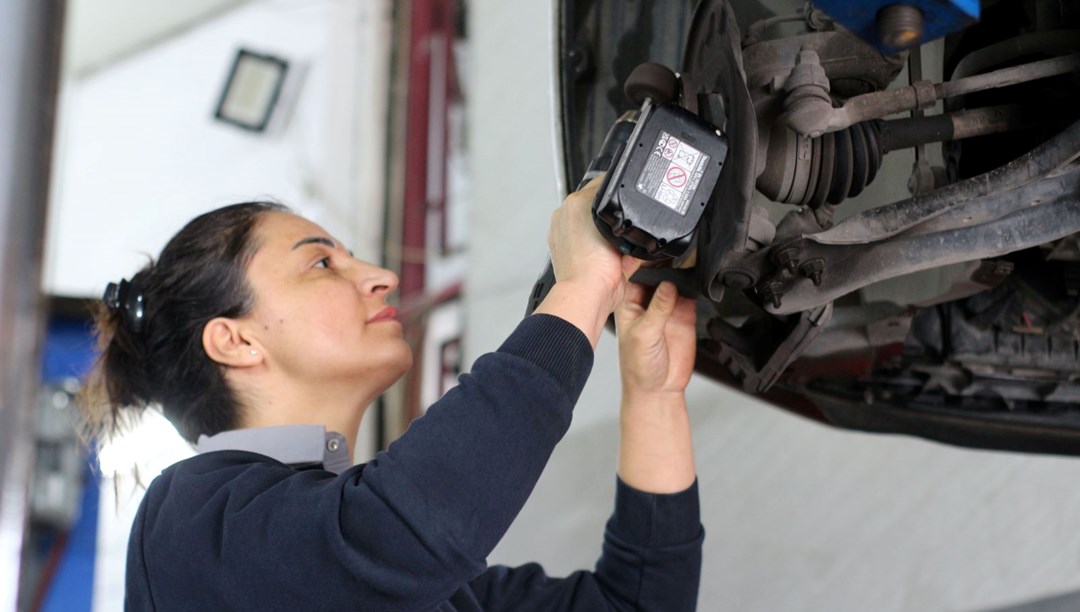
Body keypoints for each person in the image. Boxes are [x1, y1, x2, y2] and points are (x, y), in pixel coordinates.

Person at [81, 177, 703, 611]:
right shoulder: (185, 524)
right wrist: (582, 289)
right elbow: (395, 533)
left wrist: (654, 397)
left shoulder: (417, 585)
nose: (380, 277)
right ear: (235, 341)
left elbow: (633, 604)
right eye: (322, 264)